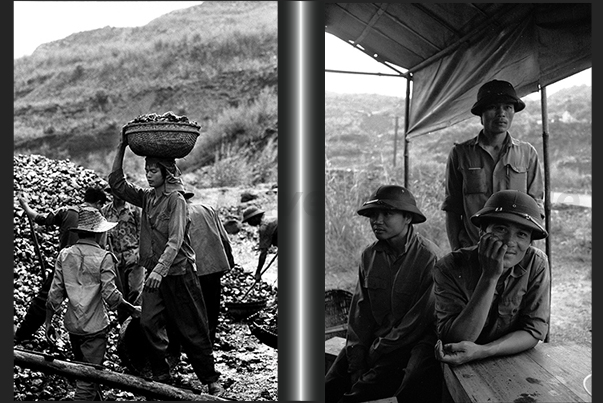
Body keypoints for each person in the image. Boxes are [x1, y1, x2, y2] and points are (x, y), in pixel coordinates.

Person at [108, 132, 223, 396]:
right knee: (148, 322)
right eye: (146, 170)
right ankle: (162, 372)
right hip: (154, 275)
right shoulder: (148, 198)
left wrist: (160, 270)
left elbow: (175, 240)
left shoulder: (177, 200)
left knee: (192, 327)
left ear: (166, 172)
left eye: (153, 170)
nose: (148, 174)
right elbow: (117, 183)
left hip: (179, 273)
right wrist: (121, 147)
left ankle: (209, 378)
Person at [325, 184, 444, 403]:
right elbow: (360, 314)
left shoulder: (429, 258)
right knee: (328, 386)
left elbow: (417, 322)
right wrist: (356, 358)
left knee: (359, 394)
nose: (377, 221)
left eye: (387, 213)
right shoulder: (370, 256)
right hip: (377, 339)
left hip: (409, 344)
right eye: (373, 215)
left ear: (407, 218)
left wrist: (377, 351)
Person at [434, 190, 550, 367]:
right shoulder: (449, 267)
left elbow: (533, 331)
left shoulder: (536, 263)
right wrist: (490, 276)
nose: (510, 241)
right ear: (482, 232)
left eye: (521, 234)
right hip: (459, 364)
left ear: (529, 243)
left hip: (510, 358)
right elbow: (456, 341)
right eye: (501, 229)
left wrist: (484, 351)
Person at [45, 206, 141, 401]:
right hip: (95, 328)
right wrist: (132, 309)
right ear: (99, 234)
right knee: (87, 380)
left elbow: (54, 295)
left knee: (84, 371)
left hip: (73, 326)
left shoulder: (65, 255)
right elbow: (110, 294)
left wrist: (48, 323)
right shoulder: (104, 257)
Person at [442, 79, 544, 251]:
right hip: (474, 249)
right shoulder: (460, 154)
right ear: (481, 114)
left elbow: (536, 207)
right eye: (493, 107)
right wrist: (457, 252)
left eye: (507, 108)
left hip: (514, 251)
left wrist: (529, 251)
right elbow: (453, 209)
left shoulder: (527, 153)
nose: (501, 114)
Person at [14, 186, 108, 345]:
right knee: (84, 307)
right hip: (88, 272)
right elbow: (103, 250)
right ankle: (82, 346)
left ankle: (22, 334)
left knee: (44, 301)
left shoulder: (67, 211)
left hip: (64, 268)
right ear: (99, 203)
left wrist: (25, 206)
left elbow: (39, 218)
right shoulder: (100, 221)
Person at [101, 186, 145, 324]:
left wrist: (138, 253)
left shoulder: (134, 209)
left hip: (134, 259)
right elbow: (103, 238)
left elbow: (144, 234)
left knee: (136, 294)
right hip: (116, 260)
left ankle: (139, 328)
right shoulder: (105, 212)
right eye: (116, 191)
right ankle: (124, 331)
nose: (119, 195)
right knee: (121, 297)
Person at [241, 206, 277, 281]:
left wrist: (258, 272)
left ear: (255, 218)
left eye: (249, 221)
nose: (249, 223)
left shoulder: (264, 227)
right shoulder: (271, 215)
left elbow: (263, 253)